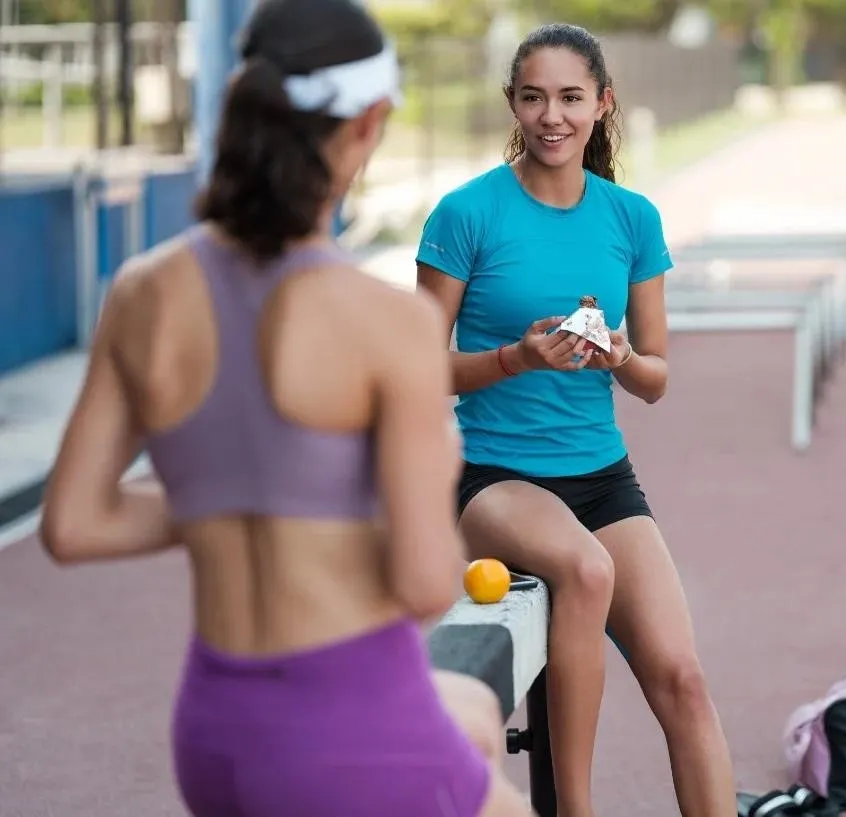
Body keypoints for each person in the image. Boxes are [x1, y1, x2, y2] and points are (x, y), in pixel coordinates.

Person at [39, 2, 532, 816]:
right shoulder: (389, 323)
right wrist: (411, 478)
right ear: (369, 123)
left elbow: (73, 524)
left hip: (216, 734)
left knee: (475, 710)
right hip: (354, 728)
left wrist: (230, 492)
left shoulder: (140, 294)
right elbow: (421, 583)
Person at [415, 22, 736, 817]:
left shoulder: (631, 218)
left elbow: (655, 379)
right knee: (587, 571)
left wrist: (618, 356)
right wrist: (515, 359)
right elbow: (414, 372)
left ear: (602, 104)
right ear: (512, 105)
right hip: (495, 476)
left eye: (569, 97)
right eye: (533, 98)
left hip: (600, 479)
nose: (551, 115)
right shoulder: (465, 214)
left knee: (684, 681)